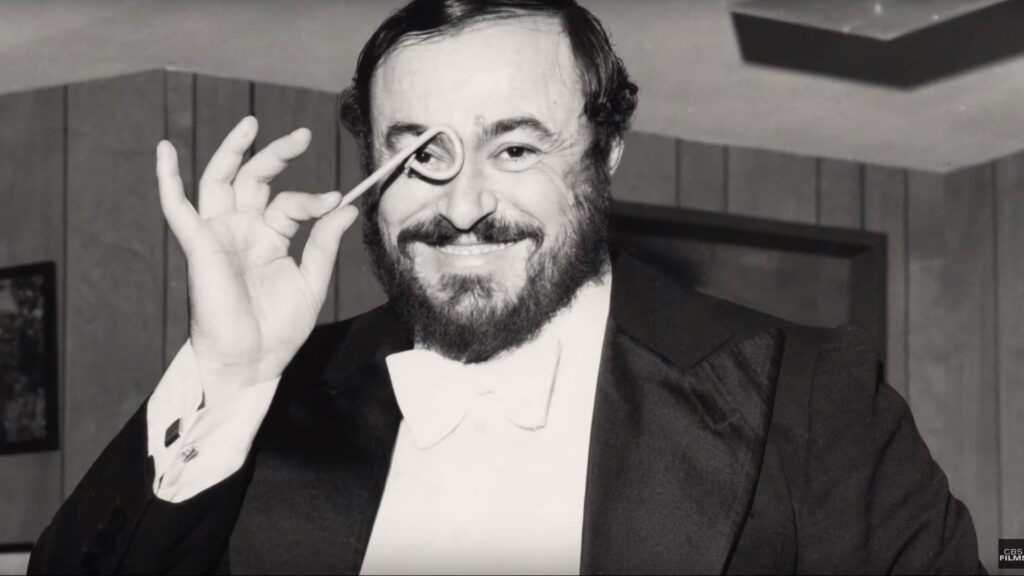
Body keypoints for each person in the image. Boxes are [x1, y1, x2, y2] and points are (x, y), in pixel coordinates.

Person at [29, 0, 984, 573]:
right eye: (419, 154)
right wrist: (229, 377)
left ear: (605, 153)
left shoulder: (811, 399)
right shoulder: (270, 400)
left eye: (516, 149)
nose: (464, 206)